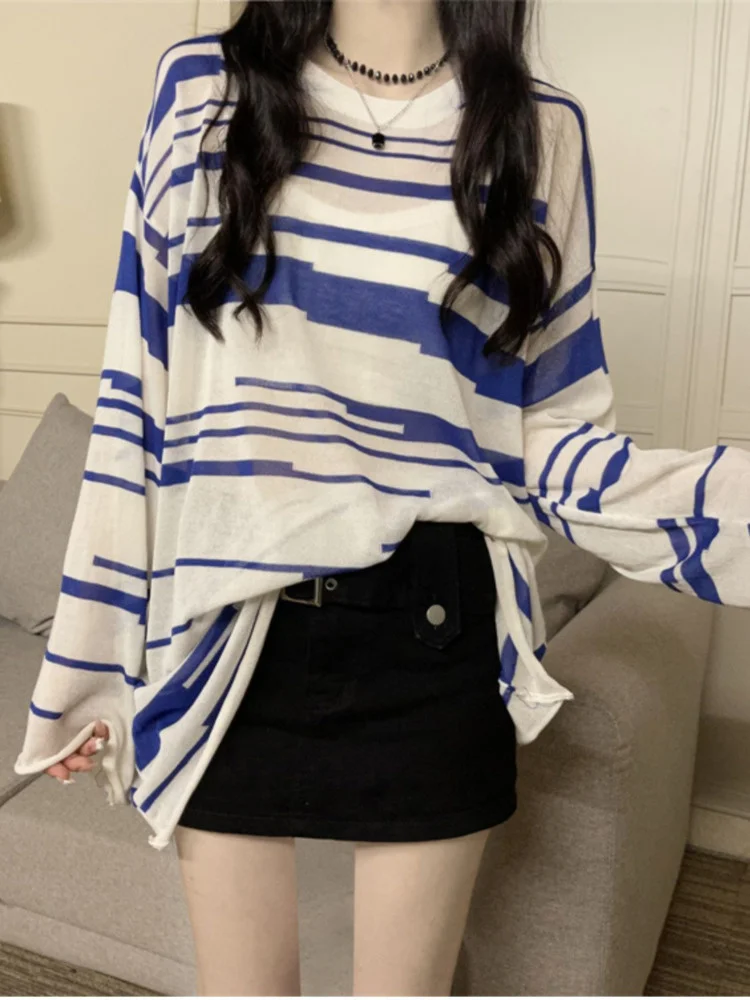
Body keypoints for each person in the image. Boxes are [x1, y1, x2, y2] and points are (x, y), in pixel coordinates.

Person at [13, 0, 750, 995]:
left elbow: (552, 439)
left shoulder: (539, 130)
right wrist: (89, 663)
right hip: (227, 633)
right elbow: (137, 399)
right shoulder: (204, 92)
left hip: (435, 631)